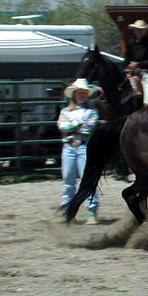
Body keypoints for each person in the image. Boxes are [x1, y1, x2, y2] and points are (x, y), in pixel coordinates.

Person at [57, 78, 100, 224]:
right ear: (74, 95)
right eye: (79, 93)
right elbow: (62, 126)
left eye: (84, 93)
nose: (81, 95)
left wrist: (71, 126)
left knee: (86, 180)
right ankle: (68, 211)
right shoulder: (66, 111)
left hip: (83, 147)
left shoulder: (91, 112)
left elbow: (88, 128)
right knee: (68, 180)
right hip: (69, 148)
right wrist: (78, 124)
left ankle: (91, 212)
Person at [124, 19, 148, 106]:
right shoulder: (131, 42)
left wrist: (138, 64)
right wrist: (127, 66)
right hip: (131, 72)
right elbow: (126, 58)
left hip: (145, 72)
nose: (138, 31)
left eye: (140, 30)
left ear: (144, 31)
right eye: (136, 29)